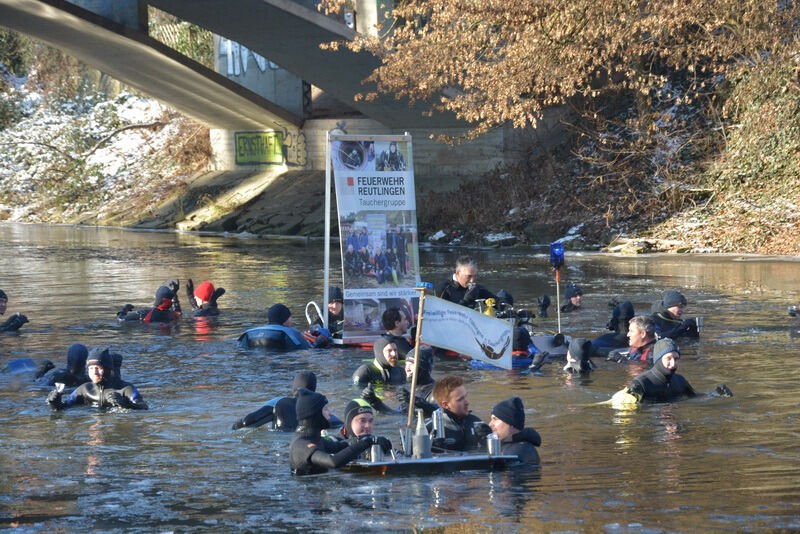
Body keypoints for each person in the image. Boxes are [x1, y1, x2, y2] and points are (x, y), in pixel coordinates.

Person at [288, 388, 390, 475]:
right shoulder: (301, 445)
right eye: (325, 409)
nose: (330, 413)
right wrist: (367, 442)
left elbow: (340, 446)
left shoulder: (314, 439)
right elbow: (333, 462)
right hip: (307, 496)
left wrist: (370, 439)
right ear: (314, 415)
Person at [46, 347, 148, 410]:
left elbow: (144, 408)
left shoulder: (125, 389)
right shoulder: (84, 389)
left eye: (98, 368)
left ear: (108, 369)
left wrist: (125, 404)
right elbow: (64, 407)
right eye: (91, 368)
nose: (94, 372)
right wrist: (55, 403)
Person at [232, 371, 321, 431]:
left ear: (294, 388)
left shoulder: (279, 402)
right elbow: (334, 422)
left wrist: (235, 426)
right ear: (313, 389)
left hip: (282, 445)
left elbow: (247, 421)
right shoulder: (319, 406)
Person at [429, 375, 491, 452]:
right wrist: (432, 449)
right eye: (460, 399)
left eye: (465, 397)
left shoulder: (475, 422)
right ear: (446, 405)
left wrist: (490, 438)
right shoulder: (431, 427)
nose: (467, 402)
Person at [628, 338, 696, 402]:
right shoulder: (640, 384)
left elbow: (696, 398)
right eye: (668, 358)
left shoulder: (680, 381)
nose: (673, 363)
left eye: (676, 359)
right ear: (659, 360)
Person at [239, 304, 327, 350]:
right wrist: (320, 342)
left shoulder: (249, 333)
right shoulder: (292, 333)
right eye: (290, 317)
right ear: (286, 319)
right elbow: (306, 349)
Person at [488, 397, 542, 465]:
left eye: (495, 419)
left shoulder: (522, 450)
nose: (490, 424)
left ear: (511, 424)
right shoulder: (505, 444)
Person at [117, 280, 182, 324]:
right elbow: (177, 310)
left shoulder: (145, 313)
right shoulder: (171, 314)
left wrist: (124, 309)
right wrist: (174, 294)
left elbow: (122, 319)